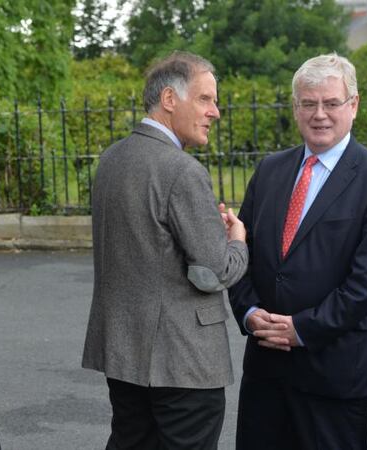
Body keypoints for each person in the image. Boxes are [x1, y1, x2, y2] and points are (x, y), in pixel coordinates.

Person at [228, 54, 367, 450]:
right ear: (295, 108)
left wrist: (302, 329)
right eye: (308, 103)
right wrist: (250, 312)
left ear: (354, 105)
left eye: (331, 103)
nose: (319, 114)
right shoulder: (270, 170)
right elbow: (242, 252)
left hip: (337, 375)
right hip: (266, 370)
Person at [81, 51, 249, 450]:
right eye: (206, 99)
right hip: (183, 363)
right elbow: (217, 270)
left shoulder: (112, 159)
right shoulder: (182, 170)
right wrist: (238, 240)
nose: (216, 112)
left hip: (123, 354)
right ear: (170, 99)